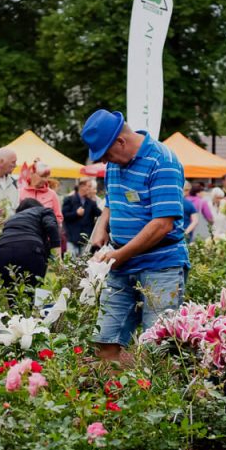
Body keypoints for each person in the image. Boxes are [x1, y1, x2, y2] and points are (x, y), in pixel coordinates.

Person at [82, 109, 188, 365]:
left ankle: (153, 401)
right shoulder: (116, 165)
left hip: (160, 266)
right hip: (119, 267)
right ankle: (114, 402)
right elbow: (111, 202)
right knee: (106, 340)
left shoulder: (162, 161)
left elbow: (163, 223)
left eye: (107, 155)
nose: (106, 162)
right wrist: (100, 227)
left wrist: (119, 255)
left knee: (157, 347)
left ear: (121, 141)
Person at [0, 198, 61, 290]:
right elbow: (51, 226)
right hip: (29, 247)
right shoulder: (44, 211)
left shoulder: (12, 218)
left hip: (2, 250)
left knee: (10, 291)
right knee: (32, 291)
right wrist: (58, 258)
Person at [62, 178, 100, 255]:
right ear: (81, 186)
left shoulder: (91, 202)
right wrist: (76, 213)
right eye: (88, 186)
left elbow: (100, 214)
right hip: (72, 237)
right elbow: (64, 216)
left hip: (85, 238)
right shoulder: (69, 200)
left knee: (83, 263)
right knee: (71, 263)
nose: (90, 189)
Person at [18, 161, 63, 225]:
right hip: (24, 232)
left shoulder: (52, 194)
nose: (44, 180)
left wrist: (49, 222)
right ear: (32, 174)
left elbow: (59, 218)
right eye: (42, 176)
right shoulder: (20, 192)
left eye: (46, 177)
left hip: (44, 234)